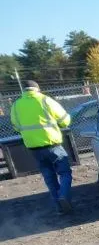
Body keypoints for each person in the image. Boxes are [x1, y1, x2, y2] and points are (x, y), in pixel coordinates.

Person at [10, 80, 73, 213]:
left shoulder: (16, 105)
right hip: (52, 144)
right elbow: (65, 120)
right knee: (65, 172)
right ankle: (64, 196)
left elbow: (16, 127)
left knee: (49, 177)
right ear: (37, 89)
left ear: (24, 90)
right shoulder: (45, 100)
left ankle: (59, 207)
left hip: (34, 148)